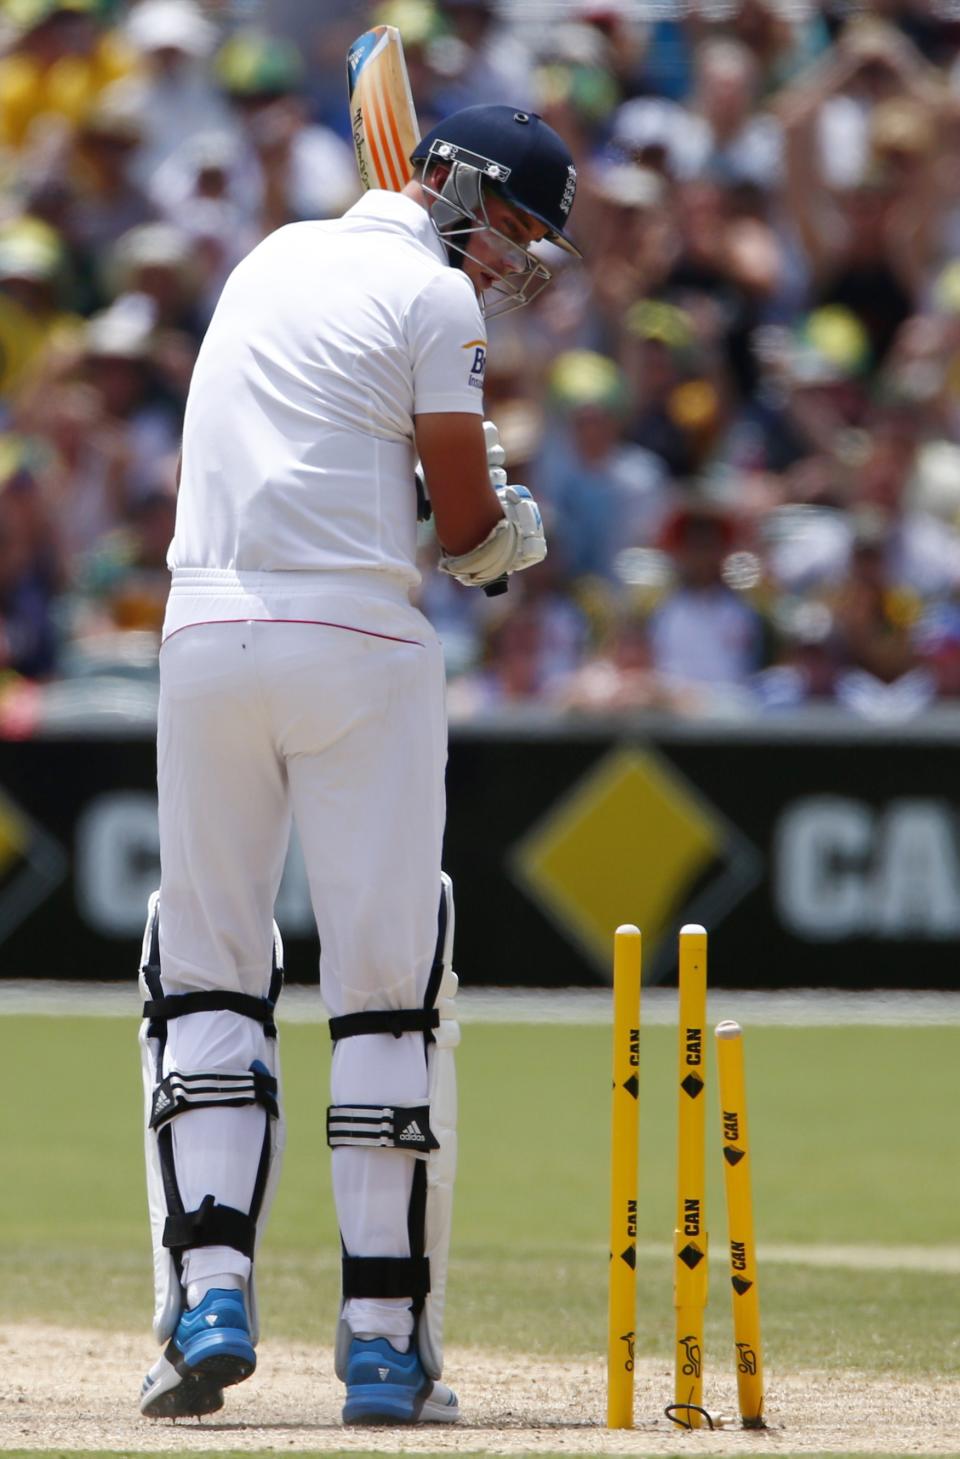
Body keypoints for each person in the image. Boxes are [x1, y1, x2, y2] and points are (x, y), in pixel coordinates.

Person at [136, 103, 579, 1427]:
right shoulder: (437, 305)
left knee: (209, 963)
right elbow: (465, 529)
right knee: (387, 988)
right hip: (359, 646)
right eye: (506, 223)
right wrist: (510, 536)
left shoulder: (266, 258)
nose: (507, 256)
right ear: (449, 183)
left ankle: (207, 1295)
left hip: (202, 635)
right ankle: (383, 1342)